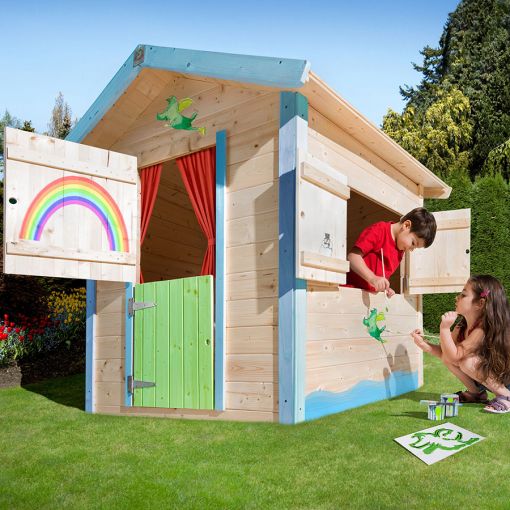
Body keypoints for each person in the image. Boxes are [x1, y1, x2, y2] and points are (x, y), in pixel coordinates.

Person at [412, 275, 510, 414]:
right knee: (456, 359)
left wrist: (444, 329)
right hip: (492, 378)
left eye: (463, 295)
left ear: (480, 303)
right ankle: (477, 394)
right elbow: (447, 354)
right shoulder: (461, 327)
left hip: (505, 380)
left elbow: (455, 356)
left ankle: (506, 396)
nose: (457, 297)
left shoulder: (483, 329)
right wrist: (425, 346)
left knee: (467, 362)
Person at [346, 207, 437, 296]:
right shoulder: (380, 230)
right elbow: (353, 257)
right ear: (406, 225)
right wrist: (373, 278)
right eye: (413, 243)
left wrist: (385, 288)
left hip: (368, 300)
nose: (411, 249)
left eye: (415, 248)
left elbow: (380, 278)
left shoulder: (400, 251)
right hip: (350, 292)